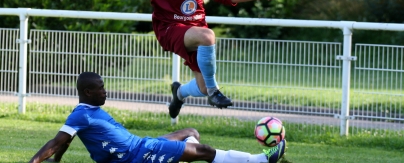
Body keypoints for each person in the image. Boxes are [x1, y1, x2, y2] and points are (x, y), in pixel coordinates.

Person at [114, 0, 276, 119]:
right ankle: (215, 91)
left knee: (202, 87)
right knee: (207, 37)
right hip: (169, 27)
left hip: (196, 28)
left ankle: (180, 93)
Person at [29, 72, 286, 163]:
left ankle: (179, 157)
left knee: (190, 132)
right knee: (205, 150)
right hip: (137, 156)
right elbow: (56, 142)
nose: (105, 91)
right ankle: (259, 161)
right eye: (101, 88)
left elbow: (65, 143)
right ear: (87, 92)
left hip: (140, 145)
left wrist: (57, 161)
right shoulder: (81, 114)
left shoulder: (89, 112)